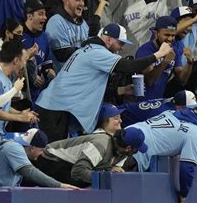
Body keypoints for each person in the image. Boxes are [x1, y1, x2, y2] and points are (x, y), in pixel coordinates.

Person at [35, 23, 171, 143]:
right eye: (120, 43)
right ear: (108, 40)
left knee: (55, 157)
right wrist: (159, 54)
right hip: (55, 109)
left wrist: (122, 90)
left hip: (54, 106)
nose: (122, 48)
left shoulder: (89, 50)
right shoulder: (97, 52)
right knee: (50, 157)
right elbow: (130, 66)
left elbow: (89, 87)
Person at [126, 102, 197, 203]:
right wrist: (183, 195)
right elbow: (187, 168)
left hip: (126, 132)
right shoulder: (193, 133)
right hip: (136, 151)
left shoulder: (171, 112)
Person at [0, 39, 38, 160]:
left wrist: (21, 113)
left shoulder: (4, 77)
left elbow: (2, 104)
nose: (24, 64)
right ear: (16, 60)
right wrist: (20, 118)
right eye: (24, 60)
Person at [33, 127, 148, 187]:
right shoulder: (100, 146)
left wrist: (111, 172)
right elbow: (78, 172)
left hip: (72, 166)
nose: (136, 152)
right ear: (129, 148)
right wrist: (106, 176)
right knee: (82, 183)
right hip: (50, 159)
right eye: (136, 149)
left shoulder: (122, 153)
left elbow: (110, 172)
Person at [0, 128, 77, 188]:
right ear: (32, 148)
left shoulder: (12, 145)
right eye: (41, 150)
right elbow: (30, 172)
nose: (42, 154)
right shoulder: (14, 148)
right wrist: (59, 185)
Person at [136, 16, 186, 100]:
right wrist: (165, 62)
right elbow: (149, 81)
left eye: (173, 35)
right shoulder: (145, 50)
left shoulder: (174, 50)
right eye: (166, 35)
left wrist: (190, 63)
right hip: (140, 101)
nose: (170, 39)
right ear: (156, 33)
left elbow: (182, 80)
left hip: (159, 99)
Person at [46, 0, 90, 72]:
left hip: (79, 76)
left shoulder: (83, 24)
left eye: (83, 0)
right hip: (62, 79)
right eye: (77, 0)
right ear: (65, 1)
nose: (81, 3)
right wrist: (89, 51)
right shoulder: (56, 21)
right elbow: (62, 55)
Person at [23, 0, 55, 104]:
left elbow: (46, 62)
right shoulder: (18, 35)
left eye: (45, 14)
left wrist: (49, 71)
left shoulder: (43, 36)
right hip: (21, 92)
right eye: (41, 14)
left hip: (39, 93)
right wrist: (31, 76)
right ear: (29, 16)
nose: (45, 18)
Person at [119, 90, 197, 128]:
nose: (190, 111)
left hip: (127, 112)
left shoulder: (170, 102)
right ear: (179, 107)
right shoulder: (165, 112)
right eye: (188, 108)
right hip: (122, 116)